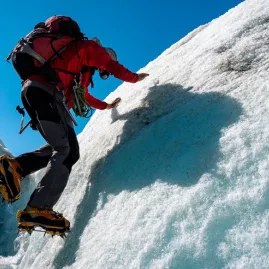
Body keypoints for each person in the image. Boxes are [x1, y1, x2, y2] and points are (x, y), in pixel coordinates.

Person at [0, 15, 149, 237]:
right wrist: (135, 78)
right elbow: (111, 65)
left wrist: (107, 106)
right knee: (68, 150)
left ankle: (16, 167)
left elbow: (85, 96)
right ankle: (38, 208)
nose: (102, 71)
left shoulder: (75, 66)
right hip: (47, 93)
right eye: (101, 68)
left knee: (58, 147)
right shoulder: (87, 47)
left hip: (33, 91)